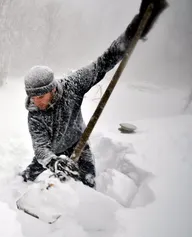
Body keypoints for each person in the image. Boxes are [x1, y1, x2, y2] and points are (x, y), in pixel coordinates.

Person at [20, 0, 168, 188]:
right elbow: (41, 148)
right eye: (32, 97)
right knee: (26, 178)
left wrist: (136, 29)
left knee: (88, 183)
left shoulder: (73, 86)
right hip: (52, 151)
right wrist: (53, 161)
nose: (36, 102)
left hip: (77, 143)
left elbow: (103, 62)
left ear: (52, 89)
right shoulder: (34, 114)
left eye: (40, 96)